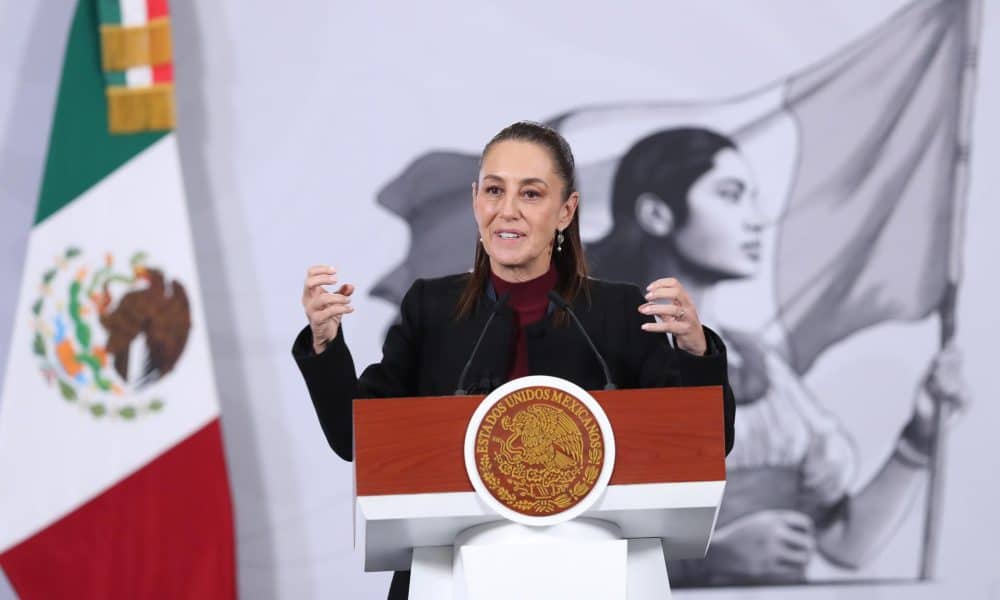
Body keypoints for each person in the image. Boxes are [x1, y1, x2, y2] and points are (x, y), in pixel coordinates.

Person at [292, 121, 737, 599]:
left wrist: (695, 352)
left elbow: (706, 443)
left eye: (530, 194)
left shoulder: (618, 312)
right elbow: (356, 437)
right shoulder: (431, 308)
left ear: (566, 211)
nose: (507, 210)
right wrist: (325, 344)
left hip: (594, 576)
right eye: (494, 190)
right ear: (475, 201)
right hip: (449, 578)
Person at [587, 127, 966, 585]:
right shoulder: (595, 357)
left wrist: (919, 438)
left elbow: (845, 543)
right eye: (730, 195)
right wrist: (710, 559)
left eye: (752, 197)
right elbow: (552, 548)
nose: (756, 219)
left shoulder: (759, 363)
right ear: (657, 214)